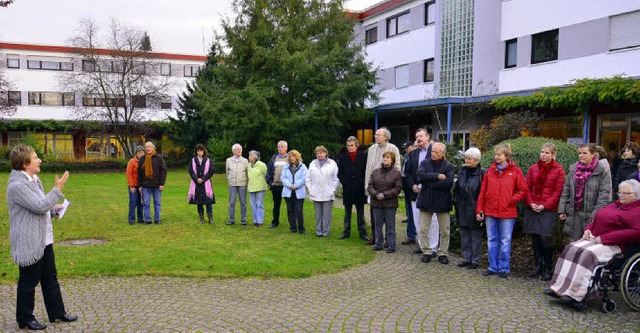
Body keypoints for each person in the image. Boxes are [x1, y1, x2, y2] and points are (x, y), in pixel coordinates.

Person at [7, 145, 78, 330]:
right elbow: (38, 206)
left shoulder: (34, 180)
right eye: (36, 157)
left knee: (50, 277)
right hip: (29, 241)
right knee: (29, 281)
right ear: (25, 163)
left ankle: (57, 312)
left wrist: (55, 210)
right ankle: (25, 318)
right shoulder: (17, 186)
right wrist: (57, 189)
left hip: (43, 239)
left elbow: (39, 207)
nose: (39, 160)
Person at [544, 179, 640, 304]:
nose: (620, 195)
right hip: (596, 238)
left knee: (587, 255)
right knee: (571, 248)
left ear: (635, 195)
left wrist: (605, 239)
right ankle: (560, 288)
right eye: (619, 192)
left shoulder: (636, 211)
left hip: (616, 245)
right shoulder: (614, 205)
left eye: (625, 193)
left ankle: (577, 294)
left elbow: (635, 233)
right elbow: (595, 220)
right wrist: (588, 229)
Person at [476, 143, 528, 278]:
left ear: (506, 155)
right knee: (492, 239)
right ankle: (492, 266)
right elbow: (483, 192)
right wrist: (479, 209)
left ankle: (504, 267)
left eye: (499, 154)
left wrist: (511, 200)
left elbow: (523, 190)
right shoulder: (490, 172)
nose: (496, 157)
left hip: (507, 212)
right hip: (490, 211)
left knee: (505, 240)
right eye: (496, 154)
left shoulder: (516, 171)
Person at [524, 143, 565, 281]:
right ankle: (538, 265)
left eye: (547, 153)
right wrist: (531, 203)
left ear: (553, 155)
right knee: (535, 237)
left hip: (547, 209)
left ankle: (548, 267)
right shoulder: (533, 168)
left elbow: (557, 191)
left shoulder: (559, 170)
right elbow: (527, 187)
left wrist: (544, 205)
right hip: (533, 207)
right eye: (542, 152)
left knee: (545, 238)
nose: (543, 155)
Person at [559, 143, 612, 240]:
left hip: (592, 212)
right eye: (579, 153)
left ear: (593, 154)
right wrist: (562, 210)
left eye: (584, 153)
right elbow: (566, 191)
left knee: (588, 242)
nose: (581, 155)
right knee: (574, 242)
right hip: (575, 213)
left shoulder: (601, 170)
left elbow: (604, 195)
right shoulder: (573, 169)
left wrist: (595, 214)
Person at [416, 142, 455, 264]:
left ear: (443, 153)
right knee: (423, 229)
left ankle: (443, 253)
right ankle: (426, 251)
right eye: (432, 151)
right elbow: (420, 176)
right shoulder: (424, 163)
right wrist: (437, 175)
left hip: (442, 202)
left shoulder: (449, 166)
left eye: (436, 152)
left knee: (445, 230)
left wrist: (429, 182)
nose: (433, 154)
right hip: (426, 200)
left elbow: (448, 183)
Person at [364, 127, 401, 245]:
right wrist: (367, 187)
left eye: (378, 135)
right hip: (374, 186)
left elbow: (398, 166)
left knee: (388, 218)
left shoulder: (393, 148)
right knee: (375, 215)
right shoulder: (371, 149)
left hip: (389, 188)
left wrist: (394, 184)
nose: (376, 136)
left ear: (385, 137)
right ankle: (376, 237)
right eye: (375, 135)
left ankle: (388, 240)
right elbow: (368, 168)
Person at [403, 128, 435, 256]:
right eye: (417, 136)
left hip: (430, 192)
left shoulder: (435, 152)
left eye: (421, 136)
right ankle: (422, 245)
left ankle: (432, 247)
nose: (419, 138)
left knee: (432, 222)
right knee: (417, 220)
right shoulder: (413, 154)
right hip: (415, 192)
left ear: (428, 137)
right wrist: (413, 185)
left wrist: (423, 185)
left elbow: (436, 172)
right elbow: (408, 173)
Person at [453, 147, 485, 270]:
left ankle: (475, 260)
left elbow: (483, 193)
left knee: (475, 237)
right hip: (462, 208)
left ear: (476, 160)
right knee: (464, 235)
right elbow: (457, 190)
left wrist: (481, 210)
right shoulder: (462, 172)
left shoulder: (482, 173)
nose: (467, 160)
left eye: (470, 158)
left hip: (475, 209)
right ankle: (466, 258)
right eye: (466, 158)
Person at [367, 151, 403, 253]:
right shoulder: (375, 172)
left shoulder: (396, 173)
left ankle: (391, 245)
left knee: (390, 225)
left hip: (390, 204)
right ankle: (378, 244)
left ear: (392, 160)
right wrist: (375, 194)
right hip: (377, 203)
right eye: (384, 157)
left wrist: (385, 195)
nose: (385, 159)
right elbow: (370, 186)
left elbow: (398, 188)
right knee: (377, 225)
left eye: (388, 158)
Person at [337, 136, 370, 240]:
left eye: (352, 145)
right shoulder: (342, 157)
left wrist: (363, 183)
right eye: (348, 146)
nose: (350, 147)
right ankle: (346, 232)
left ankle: (363, 233)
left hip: (359, 188)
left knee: (360, 211)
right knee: (347, 211)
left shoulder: (364, 156)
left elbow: (366, 171)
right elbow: (340, 173)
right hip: (348, 188)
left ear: (356, 145)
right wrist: (345, 183)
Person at [306, 146, 339, 237]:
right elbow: (308, 178)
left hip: (328, 193)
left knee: (326, 215)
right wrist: (310, 189)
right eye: (317, 153)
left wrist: (332, 190)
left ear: (325, 153)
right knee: (318, 214)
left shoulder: (332, 163)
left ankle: (325, 232)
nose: (319, 155)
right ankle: (318, 231)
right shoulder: (312, 163)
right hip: (315, 193)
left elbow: (336, 179)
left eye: (321, 153)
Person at [138, 141, 167, 224]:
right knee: (146, 203)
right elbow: (139, 173)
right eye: (146, 147)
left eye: (149, 147)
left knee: (157, 203)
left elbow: (164, 171)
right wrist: (140, 185)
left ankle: (157, 219)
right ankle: (147, 219)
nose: (148, 148)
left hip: (157, 186)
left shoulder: (159, 158)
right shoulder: (142, 159)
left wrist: (162, 184)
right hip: (146, 185)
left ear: (153, 148)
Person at [281, 150, 308, 234]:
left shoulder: (303, 167)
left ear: (297, 157)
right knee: (290, 210)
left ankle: (301, 228)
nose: (292, 158)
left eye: (293, 156)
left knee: (299, 210)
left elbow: (304, 178)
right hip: (288, 191)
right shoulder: (286, 166)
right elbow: (283, 177)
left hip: (299, 191)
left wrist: (295, 185)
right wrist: (290, 185)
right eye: (290, 156)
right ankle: (293, 228)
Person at [188, 144, 215, 224]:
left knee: (208, 202)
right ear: (196, 152)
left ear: (204, 151)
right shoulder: (193, 160)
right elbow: (191, 171)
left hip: (206, 184)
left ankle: (210, 218)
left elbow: (211, 171)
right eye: (198, 151)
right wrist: (196, 179)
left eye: (201, 151)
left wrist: (203, 178)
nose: (200, 152)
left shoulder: (208, 160)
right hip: (196, 184)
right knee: (199, 203)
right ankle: (201, 219)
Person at [266, 141, 289, 229]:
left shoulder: (290, 158)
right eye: (279, 147)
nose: (280, 148)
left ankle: (293, 223)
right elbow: (269, 170)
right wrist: (270, 182)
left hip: (287, 186)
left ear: (286, 148)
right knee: (276, 205)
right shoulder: (274, 158)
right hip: (276, 185)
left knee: (289, 206)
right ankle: (275, 222)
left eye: (282, 147)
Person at [225, 144, 249, 225]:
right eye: (238, 149)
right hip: (232, 184)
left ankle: (243, 220)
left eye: (240, 149)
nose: (240, 151)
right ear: (233, 151)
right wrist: (230, 180)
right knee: (231, 202)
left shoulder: (245, 161)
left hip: (242, 184)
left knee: (243, 202)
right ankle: (231, 219)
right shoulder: (228, 160)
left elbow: (247, 172)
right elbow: (227, 172)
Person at [247, 150, 268, 226]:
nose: (249, 157)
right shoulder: (248, 165)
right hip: (251, 187)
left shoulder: (261, 165)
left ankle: (260, 221)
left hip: (260, 187)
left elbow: (265, 174)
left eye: (251, 155)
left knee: (259, 204)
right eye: (249, 155)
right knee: (253, 205)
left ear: (255, 157)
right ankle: (255, 220)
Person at [400, 140, 416, 243]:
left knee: (414, 213)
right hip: (406, 187)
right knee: (409, 213)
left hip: (414, 188)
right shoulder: (406, 157)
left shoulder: (416, 157)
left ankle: (414, 235)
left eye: (407, 148)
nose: (406, 150)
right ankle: (410, 235)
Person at [126, 146, 145, 225]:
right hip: (133, 185)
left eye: (142, 153)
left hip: (141, 185)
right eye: (139, 153)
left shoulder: (145, 161)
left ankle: (140, 218)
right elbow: (129, 174)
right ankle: (131, 218)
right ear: (136, 153)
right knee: (133, 202)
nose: (140, 154)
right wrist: (131, 186)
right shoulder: (132, 161)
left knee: (141, 203)